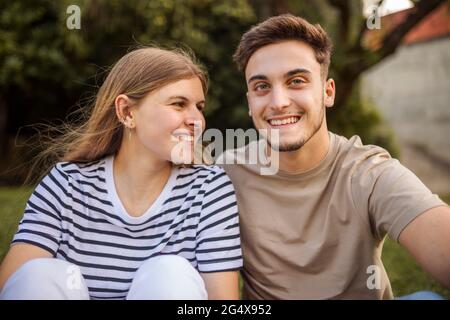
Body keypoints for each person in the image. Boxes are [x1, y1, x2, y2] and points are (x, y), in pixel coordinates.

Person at [219, 14, 450, 299]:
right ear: (250, 101)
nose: (278, 102)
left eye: (296, 81)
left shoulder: (369, 173)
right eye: (262, 87)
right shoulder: (225, 176)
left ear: (328, 92)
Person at [0, 47, 242, 300]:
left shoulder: (210, 189)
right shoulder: (67, 182)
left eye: (199, 107)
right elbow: (15, 285)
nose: (197, 120)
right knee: (40, 274)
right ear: (127, 112)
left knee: (170, 272)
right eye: (179, 104)